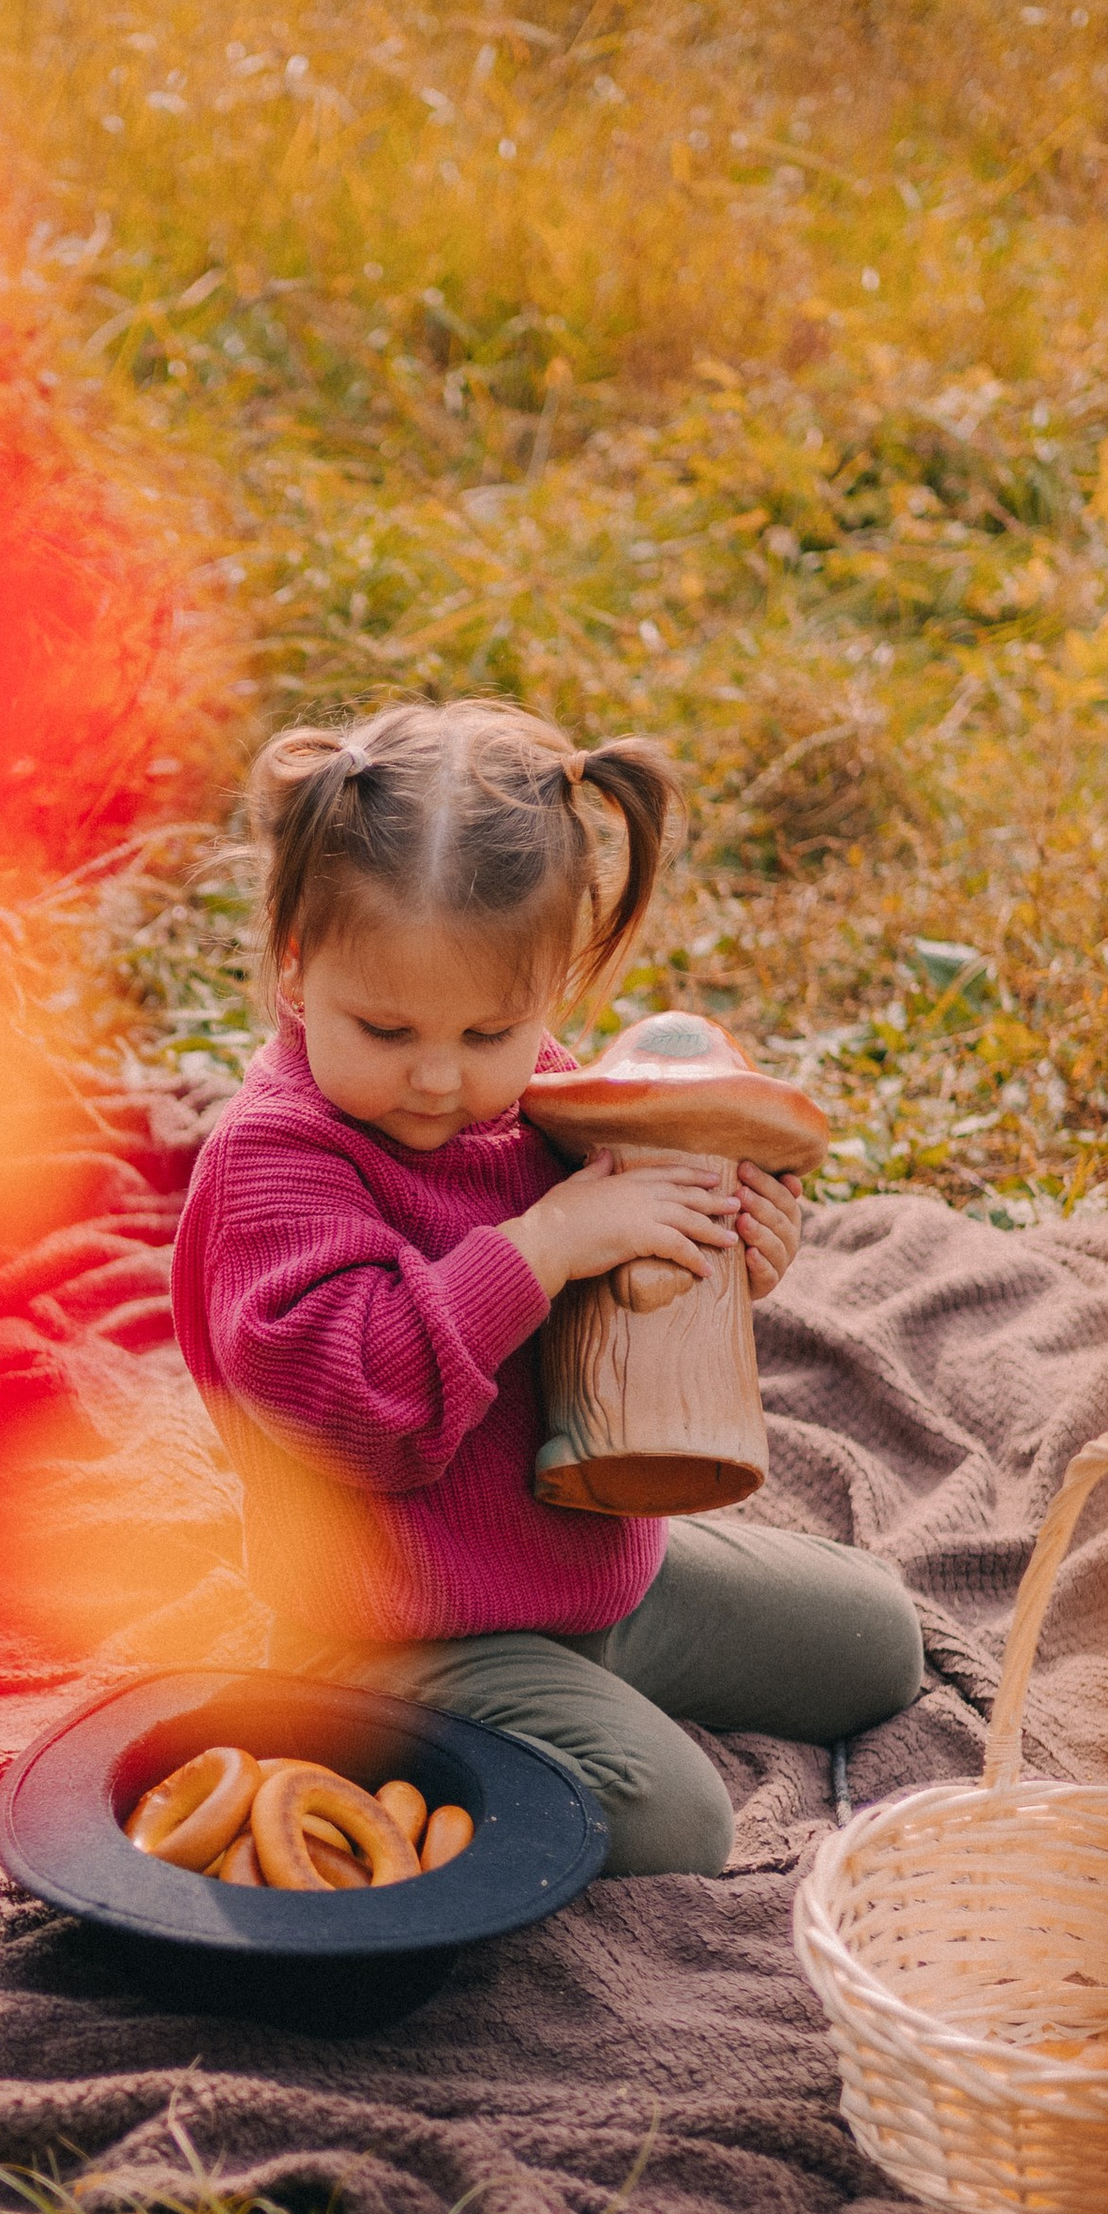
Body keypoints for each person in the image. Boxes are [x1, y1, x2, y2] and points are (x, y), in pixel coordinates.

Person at [169, 695, 922, 1875]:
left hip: (594, 1574)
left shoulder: (550, 1101)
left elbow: (617, 1293)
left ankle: (576, 1683)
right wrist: (546, 1243)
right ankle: (340, 1710)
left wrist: (724, 1253)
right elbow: (364, 1406)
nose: (435, 1076)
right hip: (399, 1624)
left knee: (883, 1641)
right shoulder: (279, 1163)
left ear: (550, 989)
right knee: (671, 1819)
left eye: (489, 1033)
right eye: (385, 1026)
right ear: (295, 963)